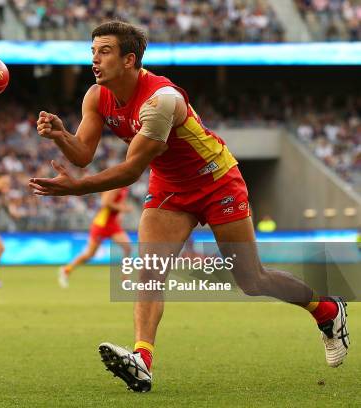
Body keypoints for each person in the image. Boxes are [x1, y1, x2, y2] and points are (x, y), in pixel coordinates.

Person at [29, 21, 349, 392]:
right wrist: (61, 136)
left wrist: (76, 189)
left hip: (216, 180)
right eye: (92, 52)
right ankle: (142, 361)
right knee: (148, 271)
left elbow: (131, 170)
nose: (94, 61)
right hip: (170, 187)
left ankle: (326, 310)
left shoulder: (161, 100)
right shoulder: (96, 96)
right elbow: (83, 154)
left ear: (129, 59)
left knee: (251, 280)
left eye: (104, 52)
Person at [58, 187, 132, 288]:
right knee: (89, 254)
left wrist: (120, 214)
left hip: (113, 225)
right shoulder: (117, 185)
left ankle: (125, 278)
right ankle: (66, 270)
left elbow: (118, 202)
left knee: (128, 248)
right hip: (102, 224)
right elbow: (105, 203)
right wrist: (122, 209)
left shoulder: (125, 187)